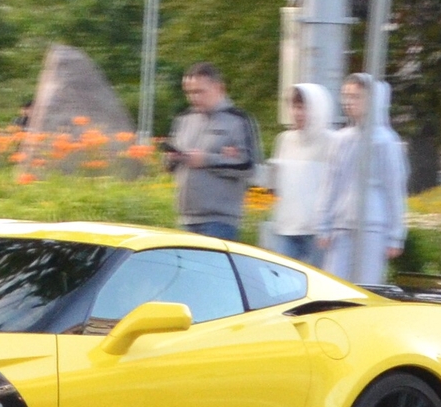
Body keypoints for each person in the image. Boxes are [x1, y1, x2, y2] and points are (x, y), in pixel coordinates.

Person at [314, 72, 408, 283]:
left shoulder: (385, 141)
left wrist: (395, 235)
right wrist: (324, 224)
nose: (349, 102)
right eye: (346, 96)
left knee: (366, 286)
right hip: (342, 225)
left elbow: (394, 189)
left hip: (373, 227)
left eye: (356, 97)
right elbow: (331, 184)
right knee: (334, 285)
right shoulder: (341, 140)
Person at [163, 62, 262, 242]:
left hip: (220, 221)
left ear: (219, 88)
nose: (193, 98)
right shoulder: (184, 119)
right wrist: (173, 158)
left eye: (199, 92)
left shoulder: (238, 120)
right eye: (189, 93)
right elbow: (169, 167)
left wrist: (207, 160)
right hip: (186, 218)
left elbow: (249, 166)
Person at [262, 82, 335, 265]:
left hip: (317, 231)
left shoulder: (331, 142)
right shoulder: (284, 140)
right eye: (294, 107)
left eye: (303, 108)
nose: (297, 113)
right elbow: (274, 184)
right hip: (286, 227)